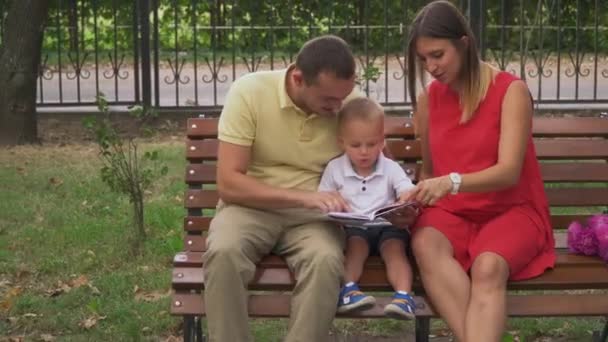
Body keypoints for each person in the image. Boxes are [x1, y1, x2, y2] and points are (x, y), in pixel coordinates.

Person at [404, 2, 556, 341]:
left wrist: (452, 182)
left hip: (511, 210)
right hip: (453, 213)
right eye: (422, 59)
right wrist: (412, 199)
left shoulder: (510, 90)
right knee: (425, 241)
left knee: (489, 267)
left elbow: (509, 172)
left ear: (464, 43)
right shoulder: (429, 99)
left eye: (438, 55)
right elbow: (429, 172)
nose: (430, 67)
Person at [203, 35, 360, 342]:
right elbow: (229, 183)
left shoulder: (350, 104)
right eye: (329, 100)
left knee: (326, 261)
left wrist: (396, 201)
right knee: (224, 252)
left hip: (313, 219)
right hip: (249, 208)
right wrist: (305, 198)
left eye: (344, 97)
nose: (338, 107)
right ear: (298, 78)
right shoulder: (249, 92)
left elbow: (382, 168)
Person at [318, 97, 417, 320]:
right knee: (355, 248)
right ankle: (349, 291)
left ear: (382, 142)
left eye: (371, 144)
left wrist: (403, 198)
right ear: (342, 143)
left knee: (395, 251)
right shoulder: (335, 168)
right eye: (356, 145)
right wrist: (333, 204)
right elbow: (323, 196)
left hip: (387, 225)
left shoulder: (390, 167)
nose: (364, 152)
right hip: (355, 226)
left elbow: (406, 188)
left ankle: (403, 297)